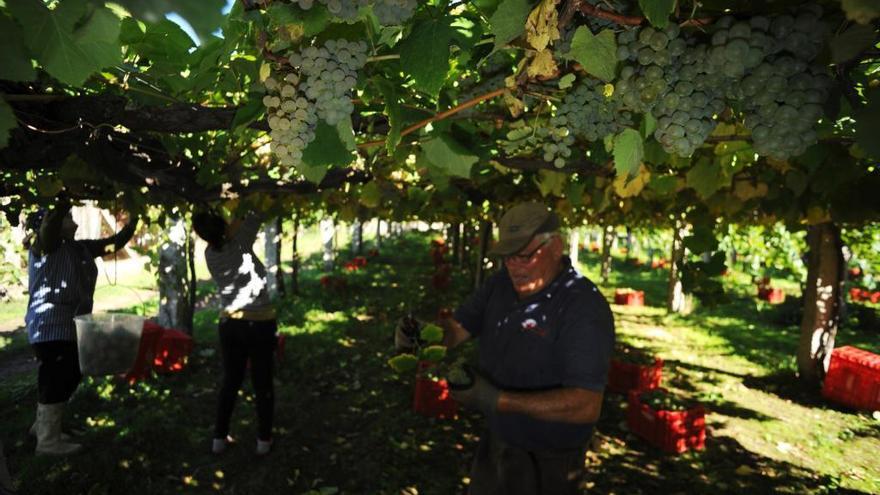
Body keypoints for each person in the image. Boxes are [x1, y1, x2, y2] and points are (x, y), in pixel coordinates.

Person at [400, 202, 615, 494]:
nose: (514, 266)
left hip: (551, 460)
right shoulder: (500, 285)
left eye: (524, 256)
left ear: (556, 247)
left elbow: (585, 405)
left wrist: (496, 399)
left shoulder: (582, 306)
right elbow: (458, 329)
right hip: (498, 441)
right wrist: (425, 335)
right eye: (507, 257)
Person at [24, 197, 139, 455]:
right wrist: (63, 196)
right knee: (56, 377)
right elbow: (51, 224)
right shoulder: (46, 245)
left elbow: (114, 243)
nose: (72, 220)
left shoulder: (80, 248)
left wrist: (135, 219)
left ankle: (42, 427)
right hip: (50, 325)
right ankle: (48, 442)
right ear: (47, 224)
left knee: (71, 373)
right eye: (67, 217)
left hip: (72, 325)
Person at [192, 210, 278, 456]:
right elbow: (255, 212)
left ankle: (218, 439)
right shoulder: (239, 242)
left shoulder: (210, 253)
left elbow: (234, 228)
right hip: (259, 323)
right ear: (224, 225)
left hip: (230, 325)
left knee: (231, 381)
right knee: (262, 382)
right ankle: (264, 441)